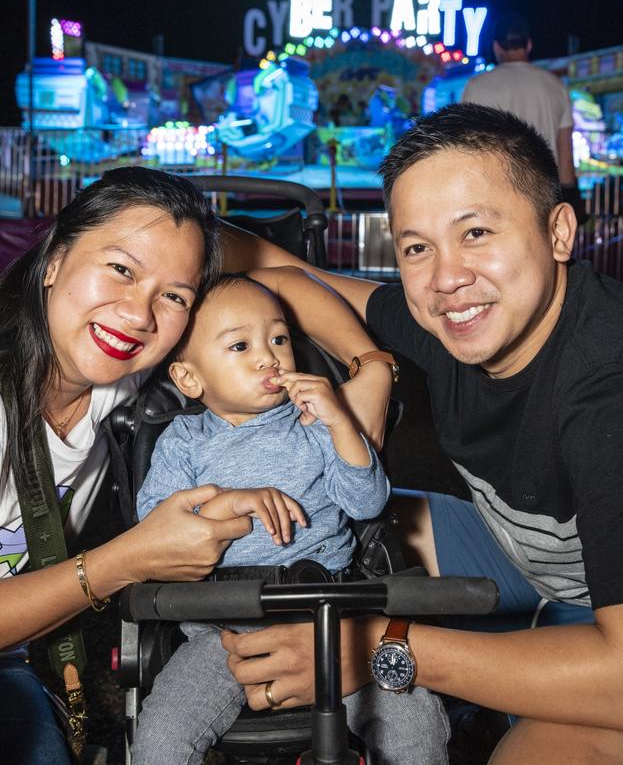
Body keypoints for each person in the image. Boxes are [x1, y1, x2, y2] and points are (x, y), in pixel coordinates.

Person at [219, 103, 623, 764]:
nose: (446, 278)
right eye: (417, 246)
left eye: (476, 231)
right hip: (546, 559)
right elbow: (279, 275)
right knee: (333, 522)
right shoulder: (453, 315)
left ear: (559, 231)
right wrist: (370, 363)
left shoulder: (616, 387)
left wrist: (380, 646)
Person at [0, 166, 392, 764]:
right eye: (121, 270)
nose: (138, 314)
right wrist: (122, 560)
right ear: (53, 260)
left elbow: (280, 282)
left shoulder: (118, 376)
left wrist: (371, 365)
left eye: (174, 295)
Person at [131, 274, 448, 765]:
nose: (269, 356)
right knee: (162, 736)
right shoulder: (186, 440)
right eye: (240, 345)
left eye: (278, 338)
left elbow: (365, 503)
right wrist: (229, 502)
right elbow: (154, 528)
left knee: (413, 721)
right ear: (190, 379)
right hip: (225, 628)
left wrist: (341, 420)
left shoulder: (314, 422)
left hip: (332, 613)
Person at [461, 13, 586, 223]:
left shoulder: (477, 86)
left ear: (496, 47)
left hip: (493, 195)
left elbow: (466, 149)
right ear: (528, 45)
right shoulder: (555, 86)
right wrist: (570, 194)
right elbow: (565, 152)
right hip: (542, 195)